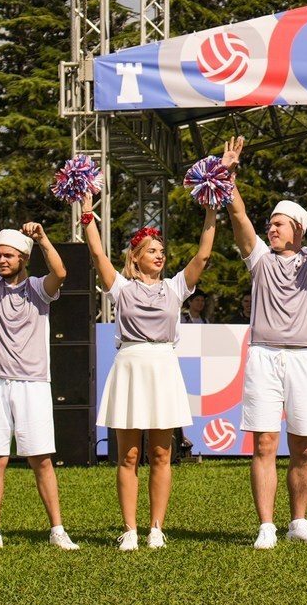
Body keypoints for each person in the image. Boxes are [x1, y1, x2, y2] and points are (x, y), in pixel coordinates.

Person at [222, 134, 307, 548]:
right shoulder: (258, 258)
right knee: (263, 441)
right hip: (263, 356)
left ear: (297, 229)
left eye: (278, 224)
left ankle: (298, 521)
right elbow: (239, 215)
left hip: (303, 360)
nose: (270, 228)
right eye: (271, 224)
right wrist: (229, 177)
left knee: (304, 443)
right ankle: (266, 526)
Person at [83, 198, 219, 549]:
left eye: (161, 250)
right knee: (127, 456)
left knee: (161, 453)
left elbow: (203, 256)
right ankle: (130, 529)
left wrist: (211, 209)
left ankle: (156, 528)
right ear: (136, 256)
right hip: (130, 365)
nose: (159, 255)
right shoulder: (121, 288)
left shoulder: (175, 287)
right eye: (151, 250)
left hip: (163, 366)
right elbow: (97, 255)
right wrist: (87, 212)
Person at [0, 220, 78, 551]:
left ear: (23, 258)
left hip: (32, 383)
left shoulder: (38, 288)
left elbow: (62, 273)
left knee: (41, 459)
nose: (1, 261)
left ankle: (57, 529)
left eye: (8, 256)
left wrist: (42, 238)